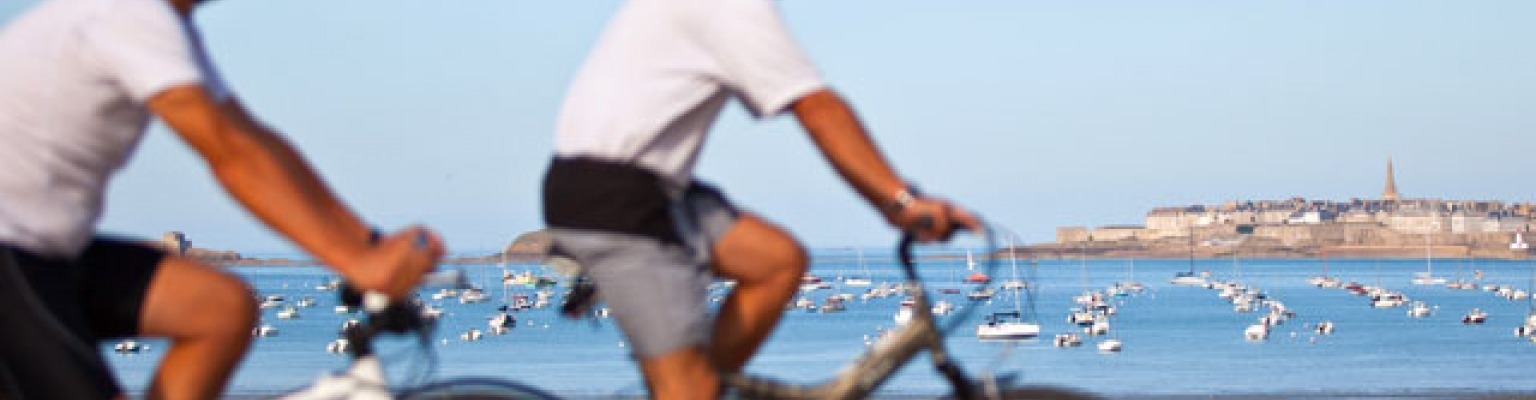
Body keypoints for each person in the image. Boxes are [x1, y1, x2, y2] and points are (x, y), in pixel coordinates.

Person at [0, 0, 445, 398]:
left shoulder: (163, 25)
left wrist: (365, 243)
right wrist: (356, 262)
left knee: (220, 310)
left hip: (46, 254)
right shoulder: (129, 14)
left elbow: (257, 142)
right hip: (12, 253)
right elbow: (230, 152)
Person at [542, 0, 982, 398]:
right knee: (686, 391)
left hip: (648, 189)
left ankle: (705, 383)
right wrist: (902, 204)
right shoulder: (729, 8)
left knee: (776, 260)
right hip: (615, 201)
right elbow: (816, 107)